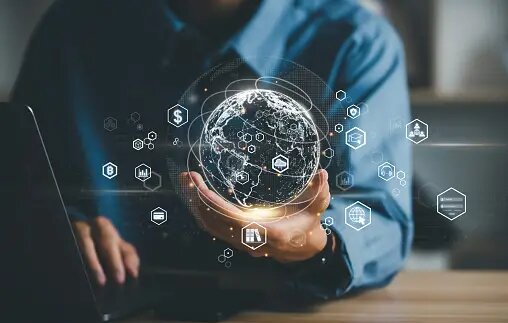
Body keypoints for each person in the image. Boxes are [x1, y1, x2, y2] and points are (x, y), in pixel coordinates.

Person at [11, 0, 413, 299]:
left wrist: (314, 242)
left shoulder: (356, 42)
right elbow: (18, 187)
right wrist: (56, 228)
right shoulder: (69, 31)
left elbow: (382, 220)